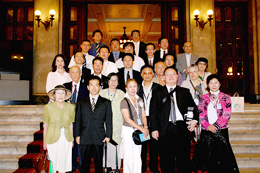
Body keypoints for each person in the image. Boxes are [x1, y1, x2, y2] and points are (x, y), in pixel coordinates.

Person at [150, 66, 199, 173]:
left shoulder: (185, 92)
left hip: (181, 128)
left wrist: (194, 120)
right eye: (168, 74)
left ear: (177, 77)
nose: (171, 76)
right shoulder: (157, 93)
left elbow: (194, 108)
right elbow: (153, 112)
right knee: (166, 159)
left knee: (184, 159)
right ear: (163, 77)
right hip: (164, 129)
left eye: (173, 74)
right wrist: (154, 129)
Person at [192, 74, 239, 173]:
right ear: (208, 85)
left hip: (221, 131)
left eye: (216, 82)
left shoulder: (226, 97)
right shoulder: (203, 98)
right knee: (208, 159)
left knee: (222, 159)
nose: (213, 85)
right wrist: (208, 126)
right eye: (211, 83)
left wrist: (216, 126)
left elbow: (226, 114)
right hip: (207, 131)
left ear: (220, 84)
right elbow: (201, 114)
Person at [75, 76, 112, 173]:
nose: (94, 87)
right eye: (91, 85)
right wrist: (77, 135)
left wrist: (108, 135)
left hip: (99, 136)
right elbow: (78, 119)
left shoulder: (106, 102)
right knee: (84, 164)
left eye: (96, 85)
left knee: (99, 163)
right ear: (87, 87)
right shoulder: (81, 102)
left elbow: (109, 120)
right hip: (84, 136)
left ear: (100, 87)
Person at [43, 85, 74, 173]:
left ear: (65, 95)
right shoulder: (48, 107)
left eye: (62, 93)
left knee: (64, 163)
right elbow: (46, 125)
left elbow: (71, 124)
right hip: (52, 138)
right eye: (58, 93)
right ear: (54, 95)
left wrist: (71, 140)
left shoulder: (71, 107)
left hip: (66, 138)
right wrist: (44, 141)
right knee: (53, 162)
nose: (60, 95)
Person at [120, 79, 149, 173]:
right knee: (128, 155)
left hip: (140, 130)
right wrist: (141, 128)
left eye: (134, 86)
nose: (133, 89)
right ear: (126, 88)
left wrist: (146, 127)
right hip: (128, 130)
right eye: (130, 87)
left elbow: (143, 115)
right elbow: (127, 119)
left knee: (138, 153)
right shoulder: (124, 101)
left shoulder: (140, 99)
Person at [63, 66, 88, 172]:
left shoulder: (85, 87)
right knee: (70, 145)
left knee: (81, 145)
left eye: (77, 72)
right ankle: (71, 167)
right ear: (69, 74)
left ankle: (82, 167)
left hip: (82, 120)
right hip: (68, 121)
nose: (75, 74)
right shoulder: (65, 86)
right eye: (73, 72)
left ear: (81, 74)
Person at [137, 65, 161, 173]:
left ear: (153, 74)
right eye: (145, 73)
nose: (147, 75)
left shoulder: (159, 87)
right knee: (142, 146)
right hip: (141, 120)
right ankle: (141, 168)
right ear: (141, 74)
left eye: (149, 73)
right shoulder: (137, 88)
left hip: (154, 119)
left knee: (154, 146)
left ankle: (153, 167)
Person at [99, 73, 125, 169]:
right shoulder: (101, 93)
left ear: (118, 82)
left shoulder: (122, 94)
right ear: (107, 81)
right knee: (105, 148)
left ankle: (115, 168)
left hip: (118, 125)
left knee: (115, 148)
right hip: (104, 125)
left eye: (115, 80)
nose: (113, 82)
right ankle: (106, 168)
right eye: (111, 80)